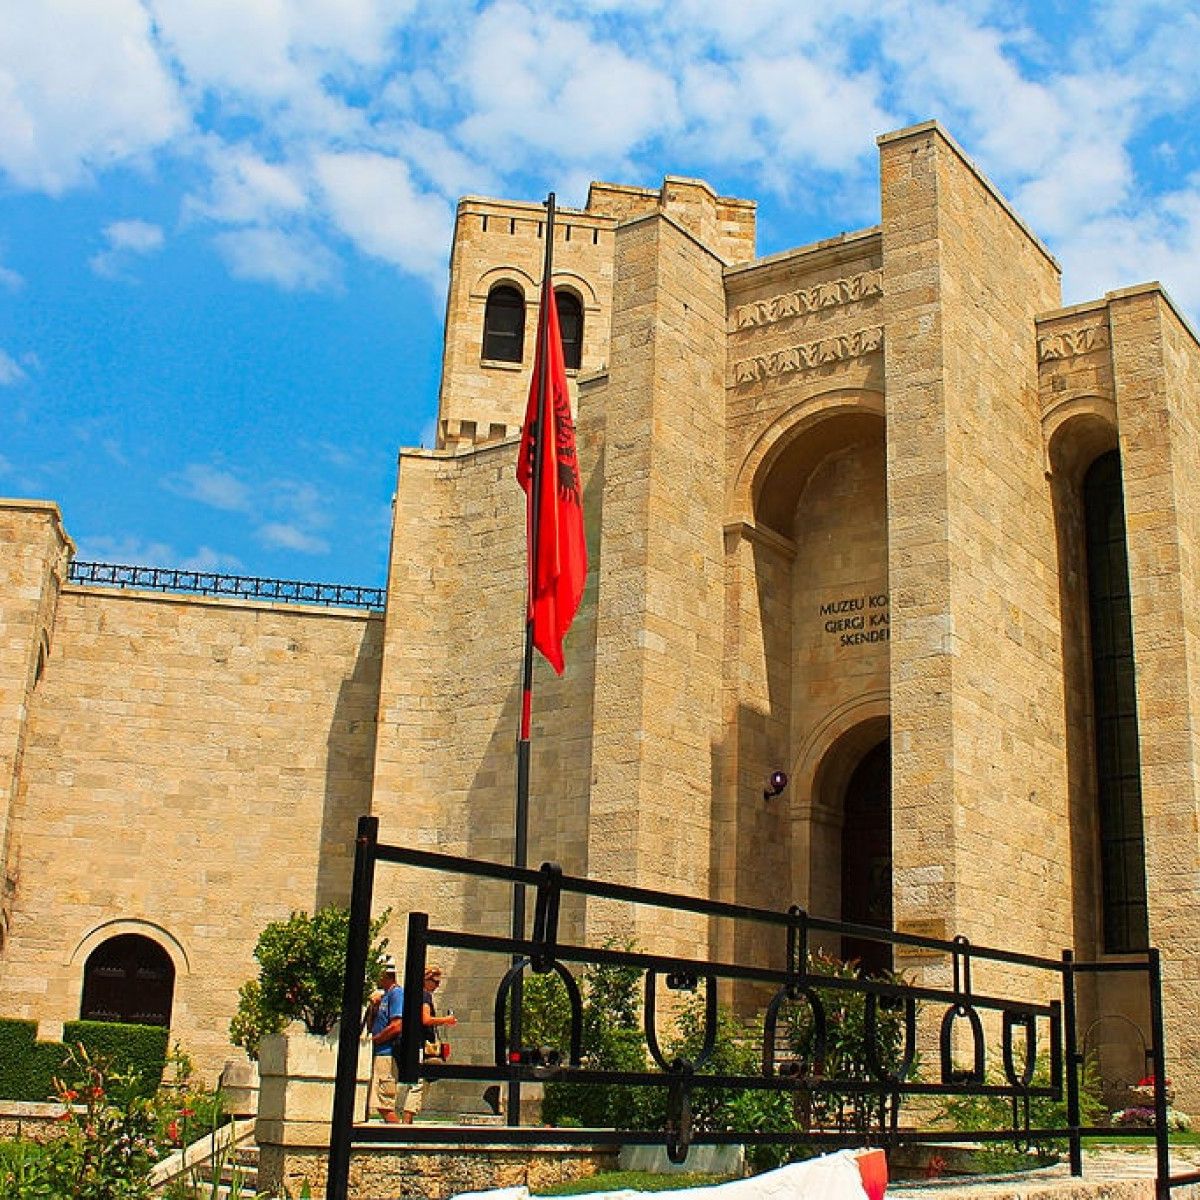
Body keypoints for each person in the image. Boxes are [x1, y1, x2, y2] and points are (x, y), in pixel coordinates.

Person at [400, 964, 458, 1124]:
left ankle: (407, 1118)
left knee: (417, 1081)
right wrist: (446, 1020)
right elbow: (425, 1019)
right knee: (419, 1082)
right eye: (435, 981)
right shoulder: (425, 996)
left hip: (414, 1043)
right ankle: (407, 1119)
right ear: (426, 980)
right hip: (420, 1044)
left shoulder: (414, 995)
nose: (437, 985)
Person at [366, 956, 404, 1123]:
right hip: (379, 1052)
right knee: (377, 1101)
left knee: (384, 1104)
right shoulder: (385, 996)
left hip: (387, 1053)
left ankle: (399, 1138)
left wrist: (375, 1040)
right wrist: (373, 1007)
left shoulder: (396, 994)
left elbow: (397, 1025)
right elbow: (369, 1025)